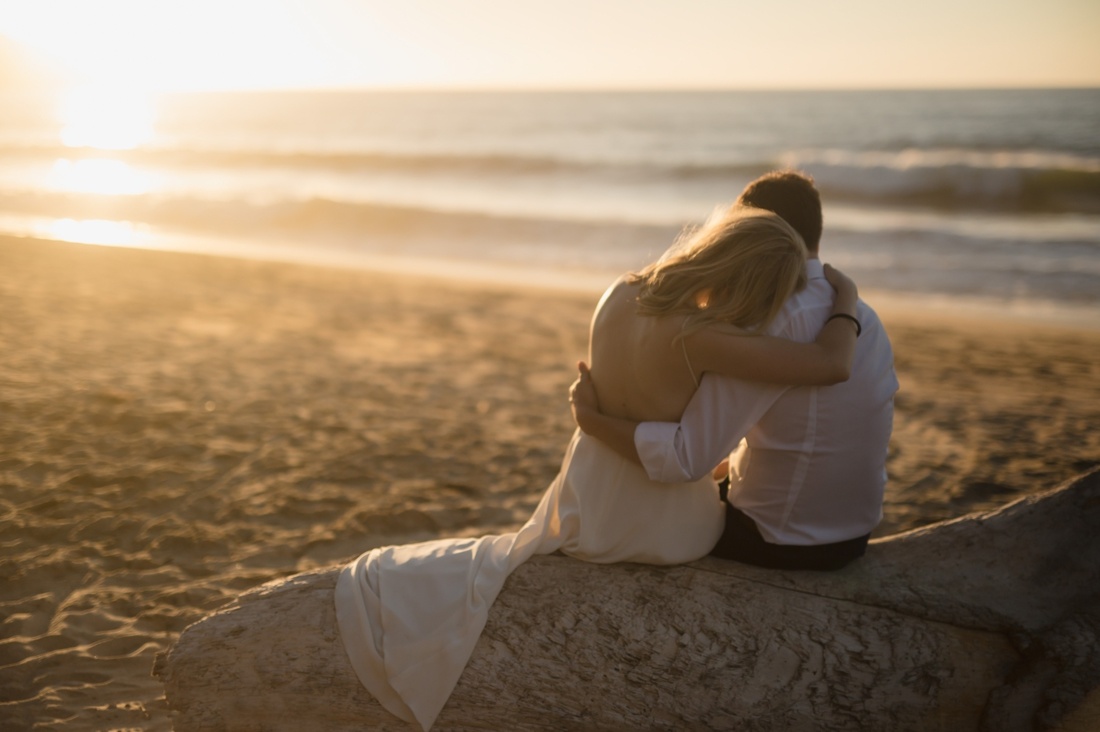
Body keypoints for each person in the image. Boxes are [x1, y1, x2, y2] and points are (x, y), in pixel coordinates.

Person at [334, 207, 862, 731]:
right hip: (662, 532)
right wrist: (848, 298)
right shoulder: (705, 339)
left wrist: (589, 418)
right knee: (724, 484)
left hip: (585, 505)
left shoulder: (618, 291)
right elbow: (831, 364)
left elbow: (632, 400)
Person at [571, 170, 898, 572]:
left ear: (745, 234)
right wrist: (848, 292)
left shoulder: (764, 321)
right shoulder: (860, 316)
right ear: (815, 232)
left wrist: (591, 421)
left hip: (780, 538)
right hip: (853, 533)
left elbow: (685, 458)